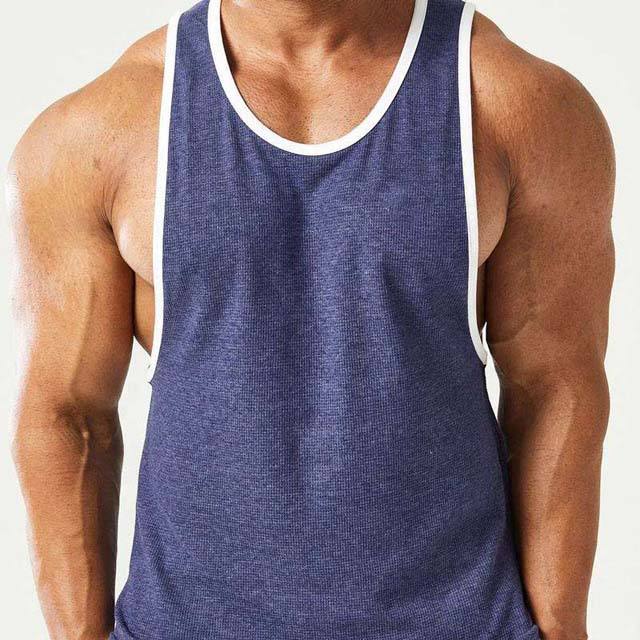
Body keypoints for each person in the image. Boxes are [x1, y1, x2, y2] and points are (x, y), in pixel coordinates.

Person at [8, 0, 615, 638]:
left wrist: (558, 629)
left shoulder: (518, 107)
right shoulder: (101, 131)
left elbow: (555, 389)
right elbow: (67, 414)